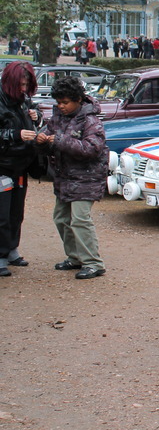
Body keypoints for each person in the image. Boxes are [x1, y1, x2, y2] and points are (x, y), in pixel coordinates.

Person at [35, 76, 109, 280]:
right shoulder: (57, 117)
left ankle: (93, 263)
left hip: (87, 179)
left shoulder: (91, 121)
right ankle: (75, 257)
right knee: (61, 218)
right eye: (58, 102)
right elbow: (49, 139)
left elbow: (91, 149)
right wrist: (41, 141)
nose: (61, 106)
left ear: (78, 99)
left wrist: (58, 140)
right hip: (65, 178)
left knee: (80, 219)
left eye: (65, 102)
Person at [0, 62, 43, 277]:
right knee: (2, 214)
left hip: (21, 164)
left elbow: (35, 120)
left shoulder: (24, 100)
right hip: (2, 165)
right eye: (21, 85)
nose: (24, 89)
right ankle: (1, 255)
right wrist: (15, 135)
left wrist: (37, 116)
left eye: (27, 85)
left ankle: (11, 250)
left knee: (16, 211)